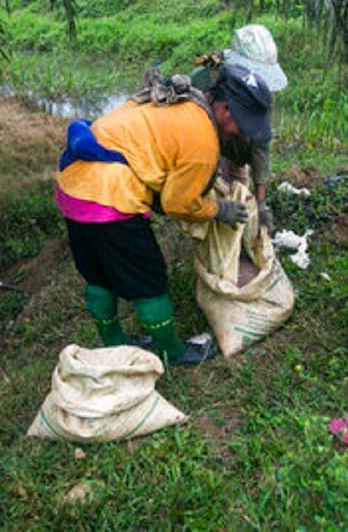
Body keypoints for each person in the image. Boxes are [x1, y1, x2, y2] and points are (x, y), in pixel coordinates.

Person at [55, 66, 273, 366]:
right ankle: (173, 351)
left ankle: (113, 342)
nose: (246, 133)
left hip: (73, 186)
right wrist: (218, 209)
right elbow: (178, 203)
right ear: (223, 109)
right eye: (244, 124)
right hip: (112, 197)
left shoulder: (181, 104)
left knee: (98, 274)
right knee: (150, 279)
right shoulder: (203, 142)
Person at [190, 24, 289, 231]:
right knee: (204, 196)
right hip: (200, 146)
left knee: (238, 194)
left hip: (236, 148)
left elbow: (261, 146)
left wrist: (261, 204)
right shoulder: (203, 81)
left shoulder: (262, 96)